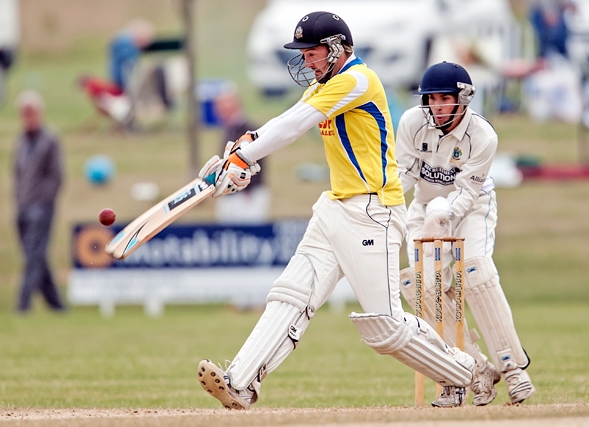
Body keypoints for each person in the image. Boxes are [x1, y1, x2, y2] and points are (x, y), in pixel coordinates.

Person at [196, 11, 480, 410]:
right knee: (290, 294)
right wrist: (241, 154)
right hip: (334, 207)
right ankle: (240, 383)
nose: (306, 62)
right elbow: (283, 121)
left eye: (311, 53)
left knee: (385, 326)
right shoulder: (324, 84)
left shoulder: (358, 80)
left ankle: (463, 372)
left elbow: (296, 125)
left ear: (334, 48)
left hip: (373, 211)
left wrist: (244, 157)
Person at [395, 61, 536, 406]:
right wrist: (387, 210)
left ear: (465, 98)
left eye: (445, 98)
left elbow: (467, 192)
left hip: (471, 208)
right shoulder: (412, 123)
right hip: (424, 208)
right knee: (418, 285)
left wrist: (443, 214)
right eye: (431, 99)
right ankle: (471, 373)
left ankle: (513, 366)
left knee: (473, 270)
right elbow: (403, 176)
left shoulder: (483, 135)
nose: (437, 106)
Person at [12, 90, 66, 313]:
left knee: (34, 256)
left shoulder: (50, 140)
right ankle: (58, 306)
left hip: (41, 207)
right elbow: (17, 174)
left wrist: (44, 201)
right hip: (22, 207)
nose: (28, 117)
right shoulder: (20, 141)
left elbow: (56, 176)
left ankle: (22, 306)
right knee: (36, 256)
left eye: (31, 113)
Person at [212, 89, 271, 224]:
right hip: (229, 194)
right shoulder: (229, 130)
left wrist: (248, 189)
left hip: (247, 196)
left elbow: (258, 161)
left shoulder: (249, 131)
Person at [108, 19, 174, 112]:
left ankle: (165, 102)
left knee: (157, 68)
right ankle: (166, 103)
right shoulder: (125, 43)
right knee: (158, 68)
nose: (144, 47)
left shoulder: (124, 40)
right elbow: (131, 66)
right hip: (124, 85)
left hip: (125, 82)